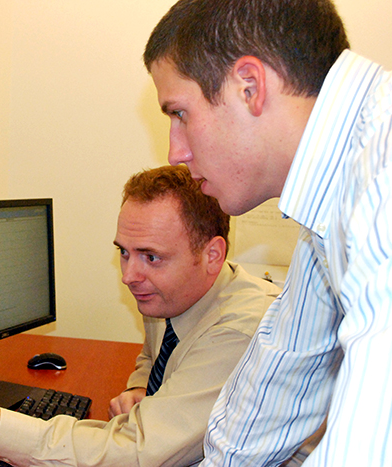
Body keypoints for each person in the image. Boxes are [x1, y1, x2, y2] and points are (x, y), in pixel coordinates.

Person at [0, 165, 280, 466]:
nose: (129, 275)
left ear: (213, 255)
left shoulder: (242, 331)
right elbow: (153, 357)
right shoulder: (173, 292)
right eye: (123, 251)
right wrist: (141, 388)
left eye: (151, 257)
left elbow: (137, 454)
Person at [143, 0, 392, 466]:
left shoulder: (382, 182)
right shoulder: (333, 199)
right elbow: (277, 386)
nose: (175, 152)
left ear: (249, 86)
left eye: (179, 113)